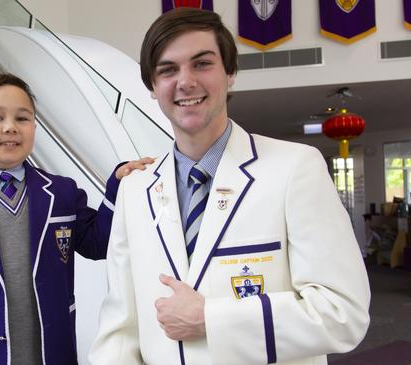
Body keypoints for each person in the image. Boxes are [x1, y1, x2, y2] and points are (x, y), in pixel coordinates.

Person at [89, 8, 370, 365]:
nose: (185, 81)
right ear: (152, 87)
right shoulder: (135, 190)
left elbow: (342, 313)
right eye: (168, 70)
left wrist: (210, 318)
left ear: (231, 73)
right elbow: (120, 328)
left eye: (202, 64)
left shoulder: (295, 168)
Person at [0, 73, 152, 364]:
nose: (10, 127)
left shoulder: (61, 191)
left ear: (34, 127)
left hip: (49, 352)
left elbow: (98, 243)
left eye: (22, 119)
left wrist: (116, 187)